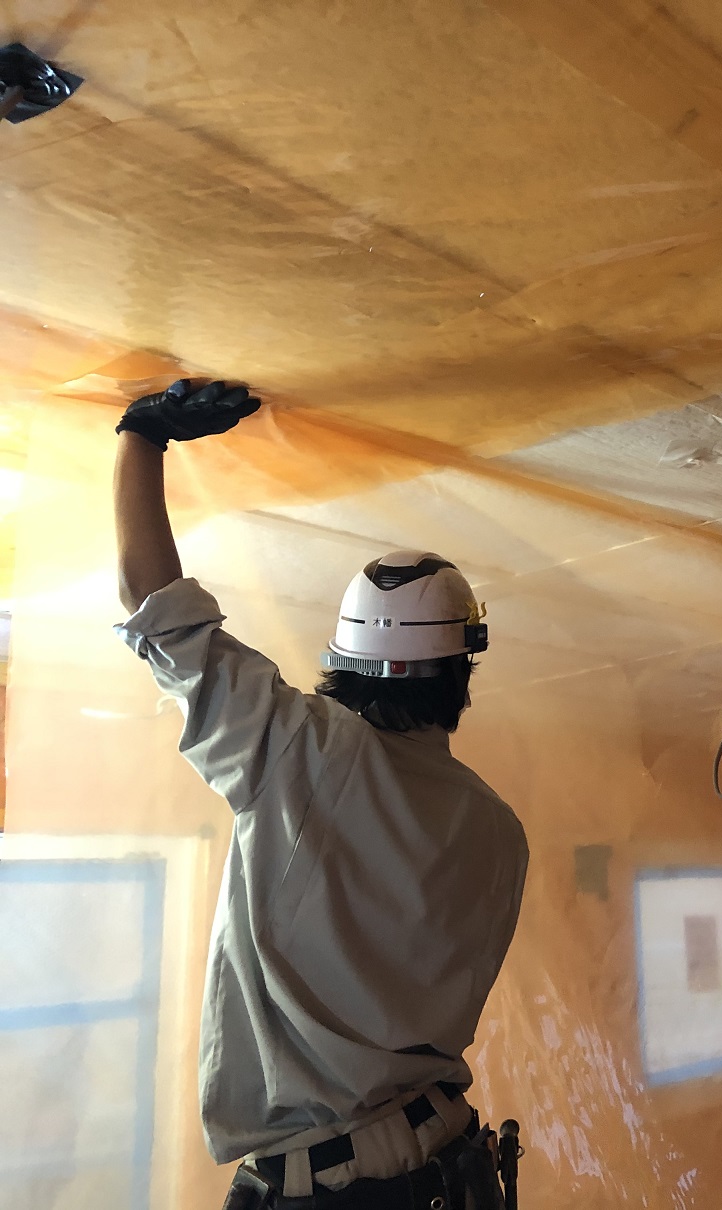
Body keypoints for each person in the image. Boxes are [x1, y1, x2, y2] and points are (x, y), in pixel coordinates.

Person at [112, 380, 529, 1208]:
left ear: (343, 662)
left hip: (337, 1185)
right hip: (450, 1157)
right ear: (463, 673)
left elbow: (154, 609)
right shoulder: (498, 827)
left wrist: (142, 434)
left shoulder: (298, 748)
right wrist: (142, 439)